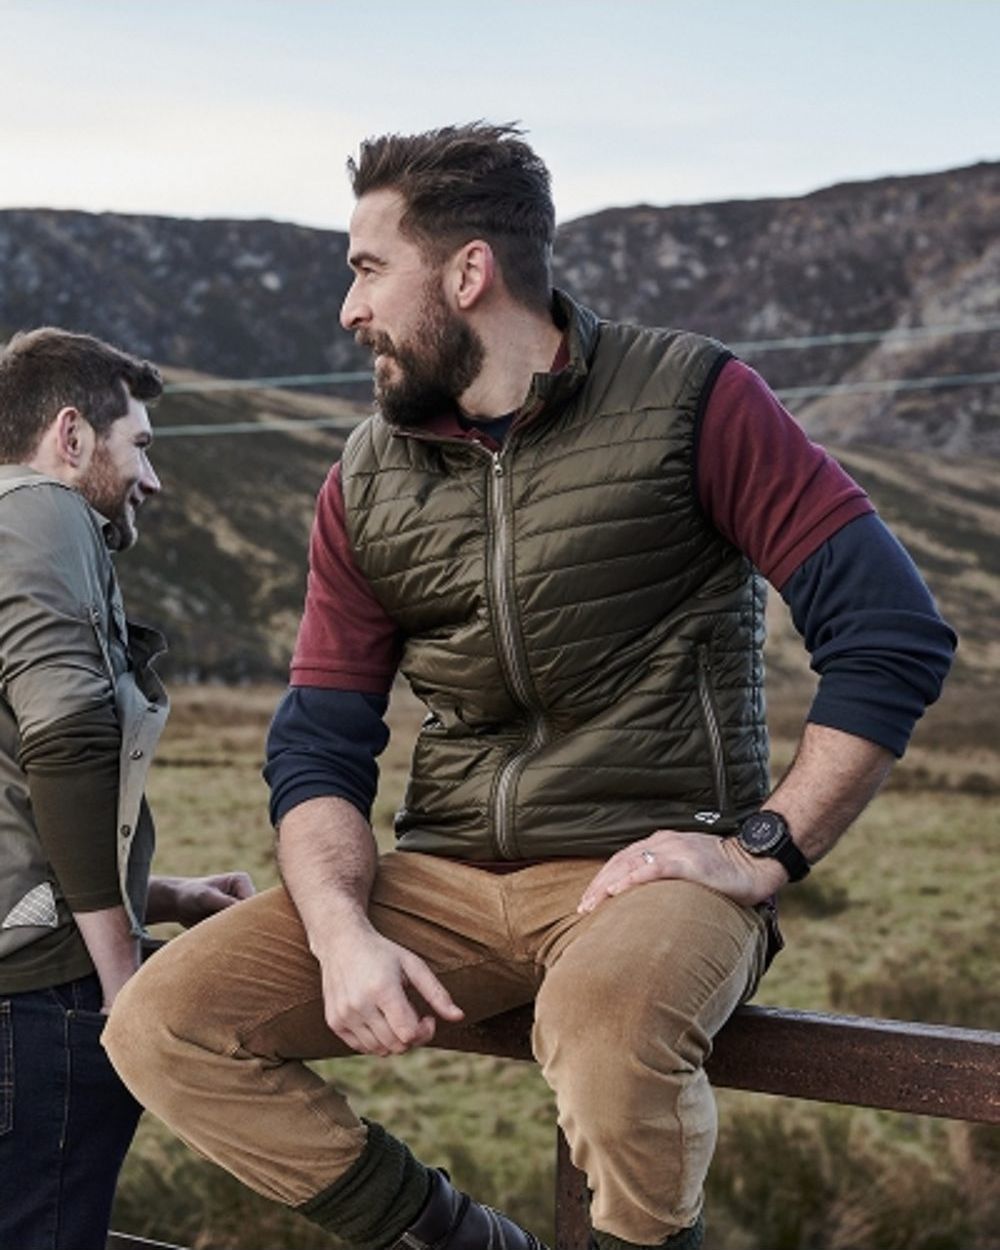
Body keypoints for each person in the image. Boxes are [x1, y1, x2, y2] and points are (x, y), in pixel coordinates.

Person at [104, 124, 955, 1250]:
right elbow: (319, 738)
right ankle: (456, 1238)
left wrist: (759, 847)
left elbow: (889, 631)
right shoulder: (365, 475)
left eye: (367, 268)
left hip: (651, 870)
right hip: (445, 871)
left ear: (468, 272)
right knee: (160, 1019)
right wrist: (341, 927)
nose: (347, 310)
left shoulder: (695, 397)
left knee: (601, 1028)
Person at [0, 327, 255, 1250]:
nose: (152, 479)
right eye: (139, 445)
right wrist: (122, 985)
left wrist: (169, 894)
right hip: (35, 1008)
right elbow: (66, 749)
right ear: (71, 437)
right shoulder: (43, 511)